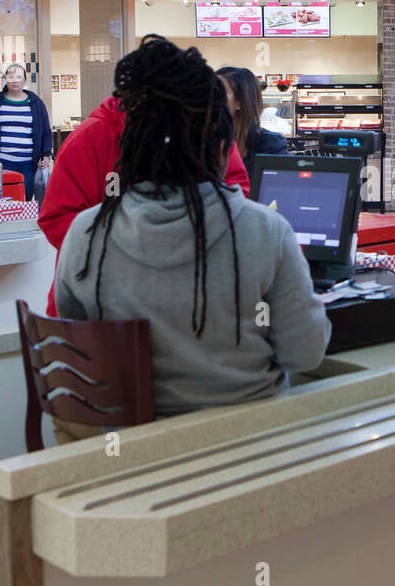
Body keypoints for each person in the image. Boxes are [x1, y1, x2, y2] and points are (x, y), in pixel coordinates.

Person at [54, 35, 330, 439]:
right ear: (222, 149)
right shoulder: (266, 231)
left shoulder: (87, 231)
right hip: (250, 449)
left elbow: (81, 346)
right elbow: (304, 352)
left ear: (131, 149)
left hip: (126, 455)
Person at [38, 96, 250, 317]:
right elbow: (57, 218)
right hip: (99, 305)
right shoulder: (91, 136)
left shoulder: (207, 128)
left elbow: (235, 192)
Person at [0, 63, 53, 199]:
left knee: (25, 202)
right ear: (5, 79)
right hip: (0, 164)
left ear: (25, 80)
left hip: (28, 166)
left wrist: (47, 154)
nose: (14, 80)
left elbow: (46, 133)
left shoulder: (36, 103)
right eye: (10, 76)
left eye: (19, 76)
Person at [218, 66, 289, 174]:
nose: (209, 98)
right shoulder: (202, 141)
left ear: (240, 102)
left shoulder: (270, 145)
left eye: (218, 92)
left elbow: (280, 187)